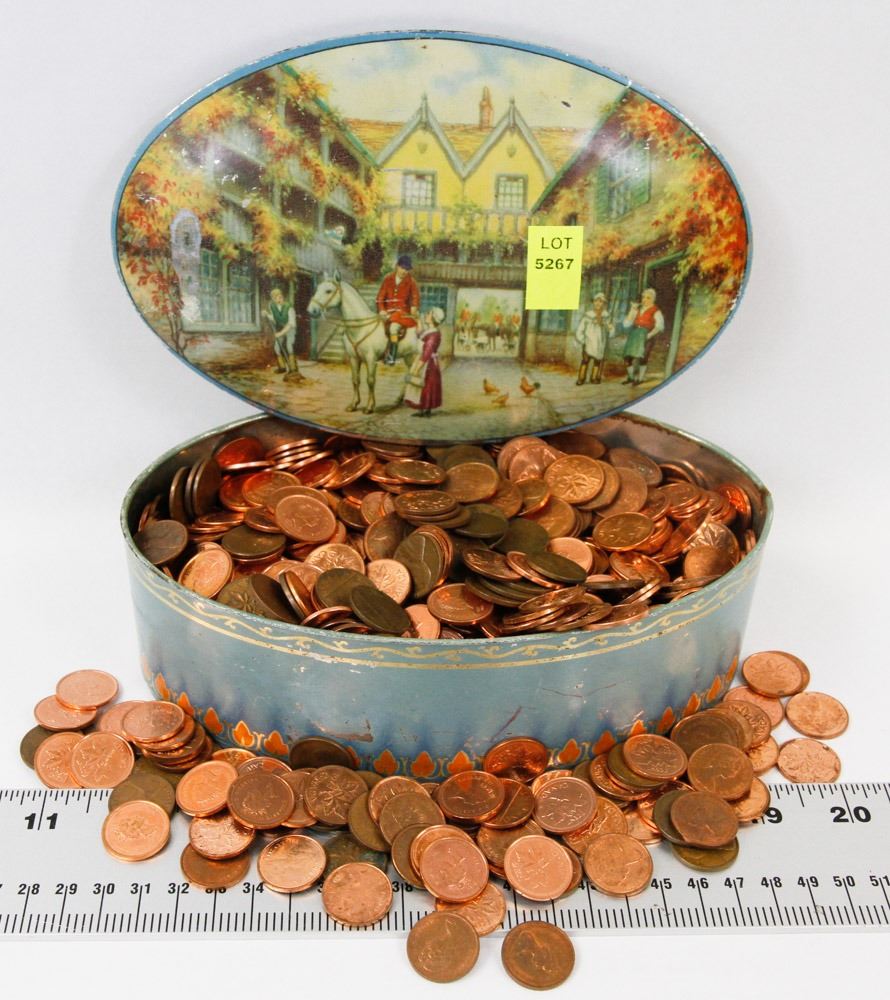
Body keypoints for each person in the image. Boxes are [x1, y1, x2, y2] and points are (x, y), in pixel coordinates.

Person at [377, 254, 420, 365]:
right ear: (397, 266)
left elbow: (415, 298)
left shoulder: (411, 282)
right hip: (387, 313)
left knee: (393, 328)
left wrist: (414, 307)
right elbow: (380, 297)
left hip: (402, 314)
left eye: (407, 269)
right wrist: (381, 309)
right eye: (402, 268)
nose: (404, 271)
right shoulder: (388, 279)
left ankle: (391, 357)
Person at [404, 307, 444, 417]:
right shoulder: (430, 331)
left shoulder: (434, 334)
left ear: (433, 318)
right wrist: (418, 320)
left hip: (428, 363)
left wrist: (417, 368)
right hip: (423, 360)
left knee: (426, 385)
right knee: (420, 386)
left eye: (428, 314)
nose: (426, 315)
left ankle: (426, 409)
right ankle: (422, 409)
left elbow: (427, 352)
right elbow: (420, 334)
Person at [622, 287, 665, 385]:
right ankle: (631, 377)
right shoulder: (637, 309)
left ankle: (640, 379)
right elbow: (626, 324)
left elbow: (659, 326)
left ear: (653, 299)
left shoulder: (656, 311)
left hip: (647, 335)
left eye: (648, 298)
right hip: (635, 334)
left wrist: (649, 335)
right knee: (627, 356)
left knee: (643, 357)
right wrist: (632, 309)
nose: (645, 300)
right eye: (643, 297)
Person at [573, 291, 613, 384]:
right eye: (596, 301)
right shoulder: (588, 315)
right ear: (593, 302)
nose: (598, 303)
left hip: (600, 342)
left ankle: (594, 378)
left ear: (604, 304)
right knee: (585, 360)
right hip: (589, 342)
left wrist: (609, 327)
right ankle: (581, 378)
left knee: (597, 360)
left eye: (600, 301)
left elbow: (610, 328)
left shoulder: (606, 316)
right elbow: (580, 329)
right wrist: (583, 340)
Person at [264, 287, 302, 380]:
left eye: (280, 297)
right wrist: (267, 314)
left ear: (282, 296)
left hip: (290, 328)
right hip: (280, 328)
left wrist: (280, 333)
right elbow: (275, 318)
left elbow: (291, 323)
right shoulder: (272, 306)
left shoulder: (289, 307)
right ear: (273, 299)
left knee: (289, 347)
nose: (278, 299)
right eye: (275, 298)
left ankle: (293, 369)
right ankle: (282, 367)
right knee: (277, 348)